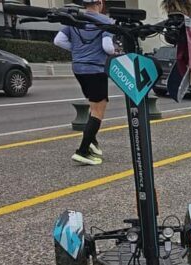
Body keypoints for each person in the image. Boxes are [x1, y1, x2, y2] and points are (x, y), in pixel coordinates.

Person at [53, 0, 116, 165]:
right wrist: (115, 51)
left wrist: (77, 50)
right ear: (100, 3)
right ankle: (82, 151)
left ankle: (92, 143)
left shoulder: (74, 18)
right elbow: (107, 47)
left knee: (93, 104)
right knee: (98, 109)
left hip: (78, 68)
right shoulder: (105, 21)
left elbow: (58, 41)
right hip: (96, 68)